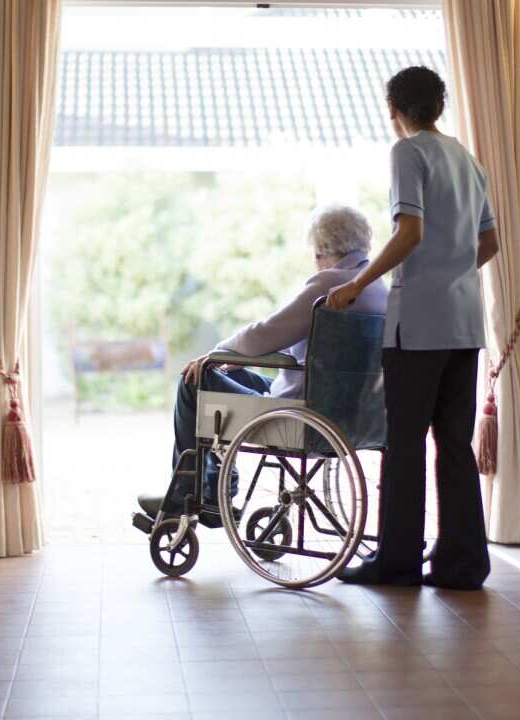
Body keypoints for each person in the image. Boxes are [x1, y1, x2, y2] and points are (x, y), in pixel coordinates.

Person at [326, 66, 499, 590]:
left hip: (418, 326)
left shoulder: (408, 152)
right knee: (453, 442)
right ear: (439, 106)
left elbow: (411, 230)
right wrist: (453, 275)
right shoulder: (468, 160)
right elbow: (489, 243)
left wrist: (357, 283)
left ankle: (397, 561)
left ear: (393, 109)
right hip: (464, 323)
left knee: (404, 443)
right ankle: (463, 563)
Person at [138, 204, 388, 520]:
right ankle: (213, 490)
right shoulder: (379, 289)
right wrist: (233, 363)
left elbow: (267, 333)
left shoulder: (328, 285)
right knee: (237, 376)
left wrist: (218, 354)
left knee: (196, 378)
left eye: (315, 250)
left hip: (302, 415)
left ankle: (188, 496)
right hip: (351, 414)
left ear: (322, 248)